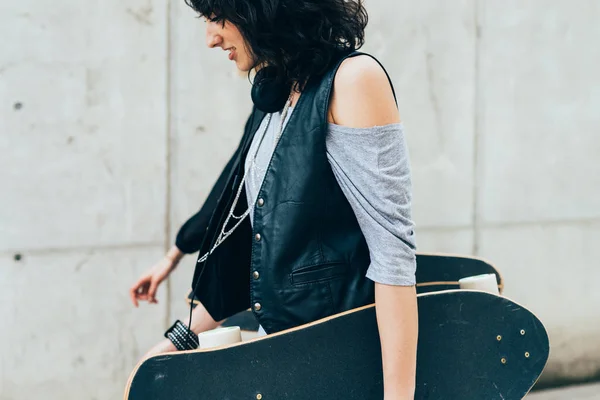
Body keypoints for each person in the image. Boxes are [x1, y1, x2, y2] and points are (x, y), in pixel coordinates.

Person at [130, 0, 418, 398]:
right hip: (280, 366)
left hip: (336, 367)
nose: (211, 39)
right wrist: (181, 334)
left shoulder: (354, 81)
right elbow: (237, 220)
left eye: (216, 18)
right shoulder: (275, 95)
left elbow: (393, 256)